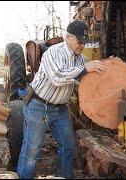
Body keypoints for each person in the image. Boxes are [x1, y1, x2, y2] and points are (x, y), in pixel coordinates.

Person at [16, 20, 106, 179]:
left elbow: (86, 79)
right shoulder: (53, 53)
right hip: (38, 106)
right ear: (68, 37)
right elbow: (57, 78)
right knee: (32, 151)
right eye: (80, 41)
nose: (82, 46)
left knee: (69, 146)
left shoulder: (80, 58)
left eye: (84, 43)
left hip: (60, 108)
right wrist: (85, 69)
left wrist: (107, 69)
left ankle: (64, 176)